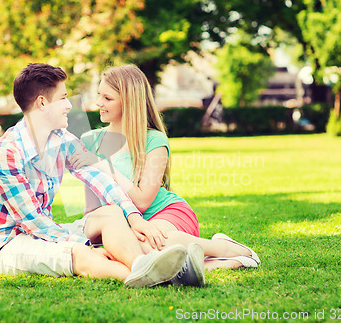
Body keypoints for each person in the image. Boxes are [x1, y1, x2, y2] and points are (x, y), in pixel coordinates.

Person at [0, 63, 199, 288]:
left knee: (111, 213)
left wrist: (134, 218)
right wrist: (85, 244)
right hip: (8, 244)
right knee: (81, 254)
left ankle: (143, 263)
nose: (69, 105)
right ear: (42, 103)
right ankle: (167, 278)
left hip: (44, 231)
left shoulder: (61, 139)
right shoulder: (7, 152)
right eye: (63, 98)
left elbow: (100, 180)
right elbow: (34, 223)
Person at [71, 64, 260, 280]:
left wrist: (105, 166)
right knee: (129, 251)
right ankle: (206, 263)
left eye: (108, 98)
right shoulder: (89, 141)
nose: (98, 103)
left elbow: (142, 201)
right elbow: (91, 210)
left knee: (147, 246)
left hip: (166, 214)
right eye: (99, 96)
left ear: (129, 101)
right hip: (124, 225)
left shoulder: (154, 140)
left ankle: (224, 248)